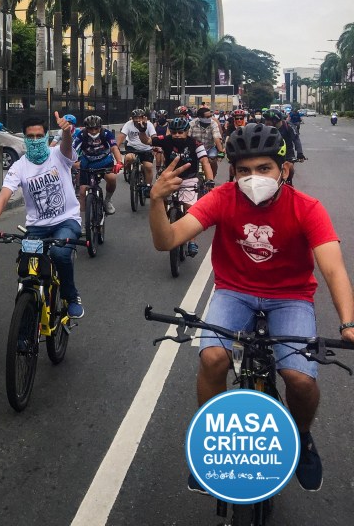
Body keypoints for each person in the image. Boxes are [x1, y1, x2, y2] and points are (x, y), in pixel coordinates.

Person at [148, 123, 354, 494]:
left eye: (263, 169)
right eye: (244, 170)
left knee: (301, 379)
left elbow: (332, 267)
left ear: (284, 170)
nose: (253, 177)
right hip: (234, 292)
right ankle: (211, 446)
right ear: (233, 172)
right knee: (211, 358)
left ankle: (303, 439)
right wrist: (156, 200)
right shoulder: (222, 198)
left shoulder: (307, 208)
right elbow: (168, 241)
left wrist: (348, 322)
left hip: (290, 296)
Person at [0, 113, 85, 318]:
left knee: (59, 254)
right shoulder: (19, 166)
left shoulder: (58, 154)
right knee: (26, 269)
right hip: (37, 227)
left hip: (66, 221)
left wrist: (66, 131)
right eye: (31, 137)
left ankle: (70, 296)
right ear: (24, 137)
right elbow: (4, 196)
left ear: (47, 136)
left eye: (40, 135)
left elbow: (67, 146)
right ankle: (25, 323)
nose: (36, 140)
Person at [152, 116, 214, 257]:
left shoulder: (196, 144)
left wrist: (210, 180)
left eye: (180, 132)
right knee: (159, 200)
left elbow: (205, 162)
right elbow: (148, 141)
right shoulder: (166, 140)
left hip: (189, 179)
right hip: (170, 178)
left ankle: (192, 241)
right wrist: (143, 130)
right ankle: (167, 218)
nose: (177, 135)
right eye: (174, 133)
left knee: (190, 208)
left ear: (187, 131)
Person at [74, 114, 122, 215]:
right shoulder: (82, 135)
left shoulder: (106, 134)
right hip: (87, 162)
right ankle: (82, 220)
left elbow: (114, 148)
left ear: (100, 127)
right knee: (82, 191)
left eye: (96, 128)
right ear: (86, 128)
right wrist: (71, 162)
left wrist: (119, 162)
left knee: (112, 178)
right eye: (90, 129)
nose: (94, 131)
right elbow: (72, 150)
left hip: (104, 161)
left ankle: (107, 200)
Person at [117, 108, 156, 197]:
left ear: (143, 117)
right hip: (132, 148)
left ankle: (148, 186)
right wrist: (116, 147)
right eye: (135, 118)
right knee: (128, 158)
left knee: (148, 167)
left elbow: (154, 136)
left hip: (146, 149)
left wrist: (156, 147)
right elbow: (122, 136)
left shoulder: (149, 125)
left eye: (140, 117)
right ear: (132, 118)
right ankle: (130, 173)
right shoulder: (128, 124)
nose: (137, 120)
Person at [189, 106, 225, 178]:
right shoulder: (192, 124)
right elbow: (187, 137)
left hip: (209, 147)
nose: (210, 118)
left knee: (212, 160)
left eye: (210, 116)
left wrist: (221, 152)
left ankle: (212, 178)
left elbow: (216, 138)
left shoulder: (213, 123)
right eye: (207, 117)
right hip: (195, 148)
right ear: (200, 117)